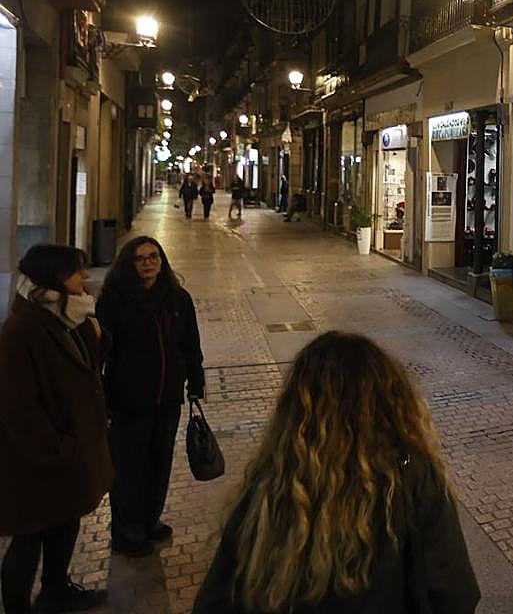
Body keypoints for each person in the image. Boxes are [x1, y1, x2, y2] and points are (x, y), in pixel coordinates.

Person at [193, 331, 480, 613]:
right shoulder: (411, 474)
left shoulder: (272, 483)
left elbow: (217, 597)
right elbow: (453, 590)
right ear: (390, 401)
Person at [0, 245, 111, 612]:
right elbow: (16, 405)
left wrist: (96, 332)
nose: (85, 277)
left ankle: (56, 588)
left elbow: (88, 367)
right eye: (78, 272)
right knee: (29, 536)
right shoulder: (24, 327)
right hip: (38, 456)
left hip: (71, 443)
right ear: (55, 278)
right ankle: (17, 607)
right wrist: (59, 447)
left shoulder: (70, 316)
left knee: (65, 522)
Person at [98, 237, 205, 557]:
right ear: (129, 264)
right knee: (129, 466)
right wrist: (103, 398)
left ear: (162, 260)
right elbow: (101, 354)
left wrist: (195, 380)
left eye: (154, 256)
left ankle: (149, 520)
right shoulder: (114, 302)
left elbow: (189, 343)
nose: (148, 262)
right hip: (128, 400)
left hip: (168, 398)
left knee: (160, 462)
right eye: (140, 258)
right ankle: (126, 530)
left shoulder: (177, 299)